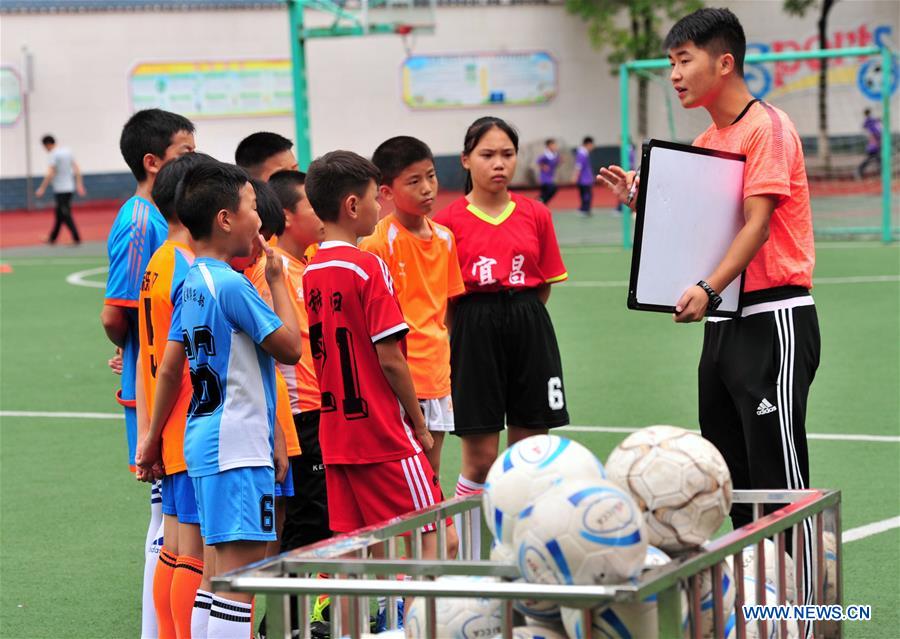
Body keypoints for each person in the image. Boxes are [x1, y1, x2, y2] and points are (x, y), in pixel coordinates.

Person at [599, 6, 819, 610]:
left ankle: (806, 610)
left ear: (724, 63)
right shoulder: (706, 142)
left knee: (777, 478)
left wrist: (708, 286)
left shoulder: (766, 128)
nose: (674, 74)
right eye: (670, 63)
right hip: (725, 323)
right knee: (732, 472)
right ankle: (761, 603)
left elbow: (756, 225)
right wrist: (644, 201)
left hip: (774, 317)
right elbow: (700, 228)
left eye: (683, 60)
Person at [302, 150, 456, 566]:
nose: (380, 207)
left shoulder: (312, 270)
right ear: (352, 206)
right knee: (439, 538)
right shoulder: (367, 266)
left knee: (353, 551)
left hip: (337, 435)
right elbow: (390, 358)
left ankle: (358, 610)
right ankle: (417, 610)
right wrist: (419, 424)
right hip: (383, 433)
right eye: (375, 198)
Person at [433, 117, 570, 559]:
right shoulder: (446, 223)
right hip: (473, 330)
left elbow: (543, 285)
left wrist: (517, 315)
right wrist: (473, 330)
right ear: (466, 160)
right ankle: (472, 561)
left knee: (530, 455)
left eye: (507, 154)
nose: (499, 164)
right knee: (480, 458)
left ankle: (523, 555)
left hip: (529, 324)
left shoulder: (537, 214)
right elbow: (446, 300)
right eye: (487, 155)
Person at [175, 160, 300, 638]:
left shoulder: (193, 280)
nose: (259, 219)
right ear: (225, 219)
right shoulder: (231, 284)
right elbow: (290, 346)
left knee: (216, 578)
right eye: (252, 207)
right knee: (240, 583)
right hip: (237, 446)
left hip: (209, 440)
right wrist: (277, 280)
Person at [99, 108, 195, 639]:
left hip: (166, 380)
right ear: (154, 161)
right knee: (167, 519)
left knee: (174, 520)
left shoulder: (165, 217)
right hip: (156, 386)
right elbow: (116, 313)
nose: (196, 160)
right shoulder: (142, 221)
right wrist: (135, 349)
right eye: (186, 152)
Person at [135, 152, 213, 639]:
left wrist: (149, 433)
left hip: (170, 426)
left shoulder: (158, 262)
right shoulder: (186, 268)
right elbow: (177, 360)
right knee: (194, 552)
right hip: (189, 421)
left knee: (174, 546)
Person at [360, 136, 465, 481]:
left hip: (437, 375)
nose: (427, 188)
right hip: (399, 377)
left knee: (431, 473)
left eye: (431, 176)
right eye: (414, 181)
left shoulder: (445, 238)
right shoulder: (377, 244)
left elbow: (446, 310)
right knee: (403, 476)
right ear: (386, 192)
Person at [267, 169, 331, 552]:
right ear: (287, 216)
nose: (323, 212)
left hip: (318, 409)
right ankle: (282, 597)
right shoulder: (272, 271)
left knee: (319, 520)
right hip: (298, 413)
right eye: (312, 205)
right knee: (307, 523)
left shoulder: (305, 263)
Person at [35, 134, 85, 245]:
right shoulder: (68, 151)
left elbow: (50, 172)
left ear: (47, 144)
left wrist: (42, 188)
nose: (46, 150)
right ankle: (52, 238)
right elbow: (77, 168)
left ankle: (76, 238)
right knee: (59, 214)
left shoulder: (53, 154)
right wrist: (79, 184)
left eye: (45, 147)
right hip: (70, 188)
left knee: (65, 213)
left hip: (60, 189)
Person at [573, 136, 595, 216]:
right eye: (592, 145)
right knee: (586, 195)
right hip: (584, 180)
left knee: (585, 194)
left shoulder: (584, 153)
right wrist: (576, 176)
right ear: (588, 144)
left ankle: (583, 208)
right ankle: (585, 209)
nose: (593, 147)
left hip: (586, 179)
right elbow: (578, 166)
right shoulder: (582, 154)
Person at [857, 108, 882, 178]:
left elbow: (864, 126)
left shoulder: (869, 121)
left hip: (874, 144)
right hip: (874, 145)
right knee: (873, 159)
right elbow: (875, 131)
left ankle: (859, 171)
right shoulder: (871, 121)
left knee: (877, 160)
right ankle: (859, 171)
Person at [536, 138, 560, 205]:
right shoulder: (545, 155)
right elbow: (538, 162)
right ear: (549, 146)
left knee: (545, 192)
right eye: (553, 145)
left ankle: (540, 203)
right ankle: (540, 202)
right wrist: (543, 166)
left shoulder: (555, 155)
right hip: (545, 177)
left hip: (551, 176)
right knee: (552, 188)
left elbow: (555, 163)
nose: (555, 146)